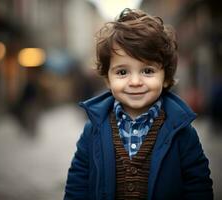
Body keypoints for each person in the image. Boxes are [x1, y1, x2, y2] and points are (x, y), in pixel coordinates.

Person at [64, 8, 213, 200]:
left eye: (148, 71)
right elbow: (78, 183)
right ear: (108, 80)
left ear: (166, 78)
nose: (135, 82)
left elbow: (198, 186)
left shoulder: (181, 131)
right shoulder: (93, 129)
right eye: (122, 72)